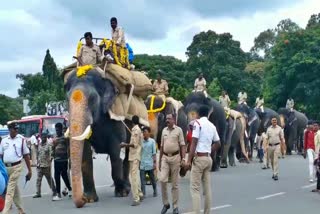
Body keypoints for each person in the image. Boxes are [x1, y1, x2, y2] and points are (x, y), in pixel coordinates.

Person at [185, 105, 220, 214]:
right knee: (207, 188)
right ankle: (207, 212)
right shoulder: (212, 126)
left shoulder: (197, 123)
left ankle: (197, 212)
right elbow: (218, 143)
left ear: (198, 114)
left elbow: (194, 142)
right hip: (208, 158)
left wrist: (189, 160)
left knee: (195, 189)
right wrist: (209, 150)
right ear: (207, 114)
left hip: (199, 158)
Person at [0, 122, 32, 214]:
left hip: (17, 167)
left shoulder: (21, 140)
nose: (17, 131)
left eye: (17, 129)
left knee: (9, 190)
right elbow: (0, 156)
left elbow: (26, 155)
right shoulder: (4, 141)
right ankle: (21, 210)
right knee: (15, 189)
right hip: (6, 168)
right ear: (10, 130)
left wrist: (30, 170)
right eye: (15, 129)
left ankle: (5, 212)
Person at [159, 114, 186, 214]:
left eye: (169, 118)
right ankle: (166, 204)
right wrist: (159, 160)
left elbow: (182, 145)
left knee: (174, 184)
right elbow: (161, 147)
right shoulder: (164, 131)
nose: (167, 120)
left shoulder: (179, 130)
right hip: (165, 158)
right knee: (162, 179)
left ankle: (175, 206)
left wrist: (183, 158)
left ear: (174, 120)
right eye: (166, 119)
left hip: (175, 158)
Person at [120, 115, 143, 206]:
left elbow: (135, 145)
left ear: (132, 122)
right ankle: (140, 193)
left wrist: (124, 145)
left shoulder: (136, 130)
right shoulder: (135, 130)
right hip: (133, 156)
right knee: (135, 176)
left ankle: (136, 199)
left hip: (135, 156)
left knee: (133, 178)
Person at [33, 133, 57, 199]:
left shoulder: (49, 145)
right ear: (41, 137)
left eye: (44, 137)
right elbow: (38, 154)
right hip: (40, 165)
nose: (43, 138)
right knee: (38, 180)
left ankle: (54, 191)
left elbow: (51, 154)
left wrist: (50, 160)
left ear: (46, 137)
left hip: (46, 166)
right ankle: (38, 193)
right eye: (42, 137)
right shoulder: (39, 145)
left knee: (49, 179)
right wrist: (37, 163)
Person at [52, 123, 72, 201]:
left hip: (64, 159)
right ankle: (58, 194)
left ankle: (70, 190)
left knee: (64, 176)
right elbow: (53, 148)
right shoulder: (55, 138)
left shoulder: (65, 137)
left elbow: (68, 147)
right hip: (56, 160)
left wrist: (69, 157)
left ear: (61, 129)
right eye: (56, 130)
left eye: (58, 130)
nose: (57, 131)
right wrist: (52, 156)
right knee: (56, 176)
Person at [140, 127, 157, 197]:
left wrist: (155, 163)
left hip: (150, 164)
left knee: (152, 179)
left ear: (149, 133)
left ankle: (155, 190)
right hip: (142, 164)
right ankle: (143, 193)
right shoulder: (140, 142)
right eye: (143, 132)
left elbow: (154, 153)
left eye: (146, 132)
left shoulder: (152, 141)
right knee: (142, 181)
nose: (144, 133)